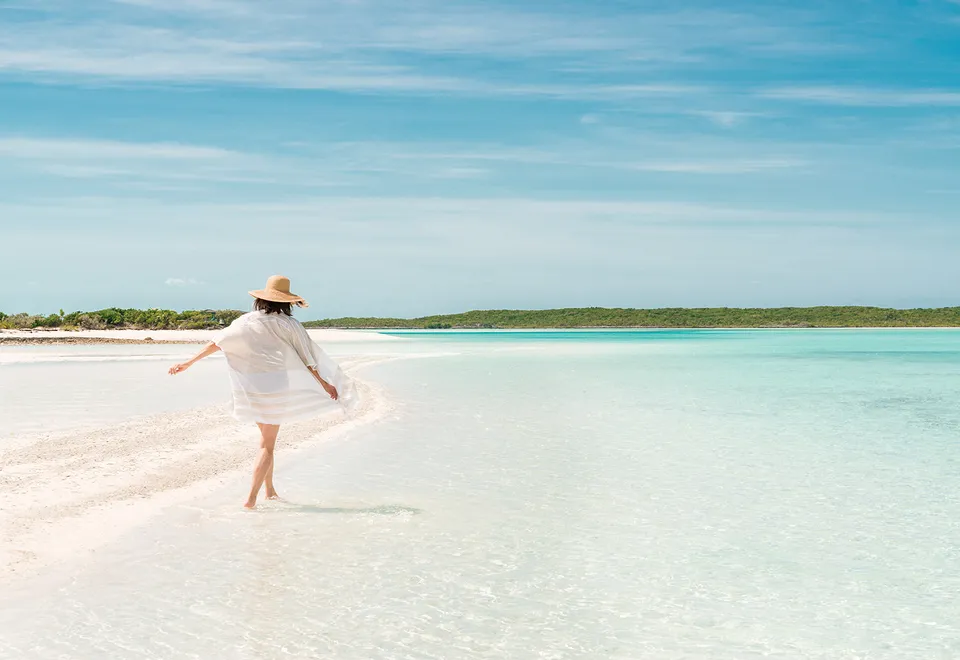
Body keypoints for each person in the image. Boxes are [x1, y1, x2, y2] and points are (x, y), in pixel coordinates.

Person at [169, 275, 353, 508]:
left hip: (252, 387)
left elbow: (218, 342)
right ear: (287, 302)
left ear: (261, 299)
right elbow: (308, 359)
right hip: (277, 386)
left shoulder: (246, 321)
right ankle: (251, 500)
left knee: (265, 442)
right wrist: (324, 383)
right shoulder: (290, 324)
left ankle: (270, 491)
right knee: (267, 445)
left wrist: (189, 362)